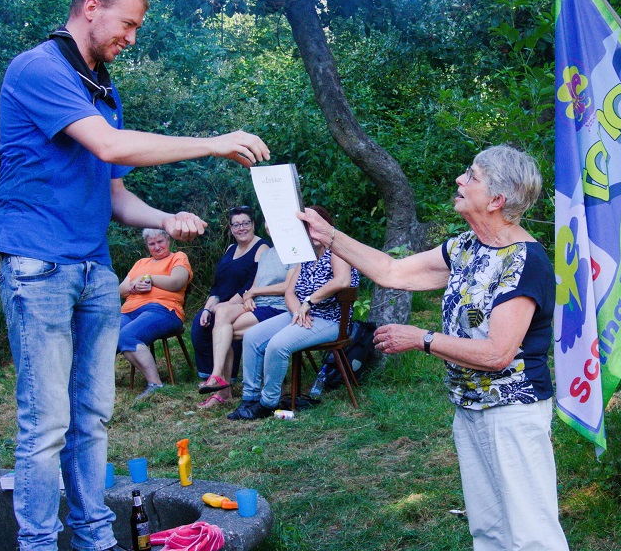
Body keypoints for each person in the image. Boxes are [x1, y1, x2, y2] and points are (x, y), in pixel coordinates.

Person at [0, 0, 269, 551]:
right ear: (91, 7)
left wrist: (163, 218)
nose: (132, 37)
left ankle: (95, 539)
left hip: (93, 270)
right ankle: (37, 544)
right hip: (38, 266)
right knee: (46, 424)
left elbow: (114, 192)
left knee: (92, 416)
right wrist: (212, 143)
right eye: (128, 24)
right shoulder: (39, 68)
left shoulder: (101, 88)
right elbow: (110, 145)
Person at [298, 145, 568, 550]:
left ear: (496, 200)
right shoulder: (466, 247)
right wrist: (329, 236)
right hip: (469, 406)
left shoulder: (524, 261)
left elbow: (497, 353)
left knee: (532, 536)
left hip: (512, 412)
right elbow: (391, 270)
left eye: (472, 176)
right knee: (488, 530)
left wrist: (421, 339)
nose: (460, 179)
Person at [228, 206, 360, 421]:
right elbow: (290, 291)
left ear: (327, 227)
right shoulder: (305, 256)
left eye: (315, 228)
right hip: (301, 315)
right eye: (307, 230)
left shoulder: (337, 251)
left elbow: (342, 280)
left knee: (277, 345)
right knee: (252, 336)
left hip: (331, 320)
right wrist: (298, 310)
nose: (312, 234)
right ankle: (249, 398)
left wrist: (308, 302)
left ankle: (267, 402)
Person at [197, 246, 298, 409]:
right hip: (257, 304)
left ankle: (221, 388)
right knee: (222, 313)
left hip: (279, 307)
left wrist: (254, 292)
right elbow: (253, 288)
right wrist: (249, 297)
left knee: (224, 333)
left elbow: (288, 286)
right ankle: (217, 376)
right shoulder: (266, 254)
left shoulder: (294, 251)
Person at [191, 206, 270, 392]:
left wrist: (226, 305)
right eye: (236, 225)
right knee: (199, 324)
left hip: (246, 301)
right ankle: (209, 376)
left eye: (245, 223)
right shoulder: (230, 248)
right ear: (231, 228)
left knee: (220, 320)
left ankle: (227, 377)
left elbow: (252, 283)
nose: (241, 228)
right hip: (222, 302)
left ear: (253, 224)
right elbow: (218, 284)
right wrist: (207, 308)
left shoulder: (262, 247)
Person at [118, 229, 192, 400]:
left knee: (127, 336)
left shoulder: (178, 258)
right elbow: (120, 290)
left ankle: (155, 384)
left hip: (163, 310)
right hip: (128, 311)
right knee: (104, 336)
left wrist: (149, 277)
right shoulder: (141, 263)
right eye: (152, 244)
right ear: (147, 246)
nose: (157, 247)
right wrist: (134, 286)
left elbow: (176, 282)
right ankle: (91, 384)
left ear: (168, 240)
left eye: (160, 242)